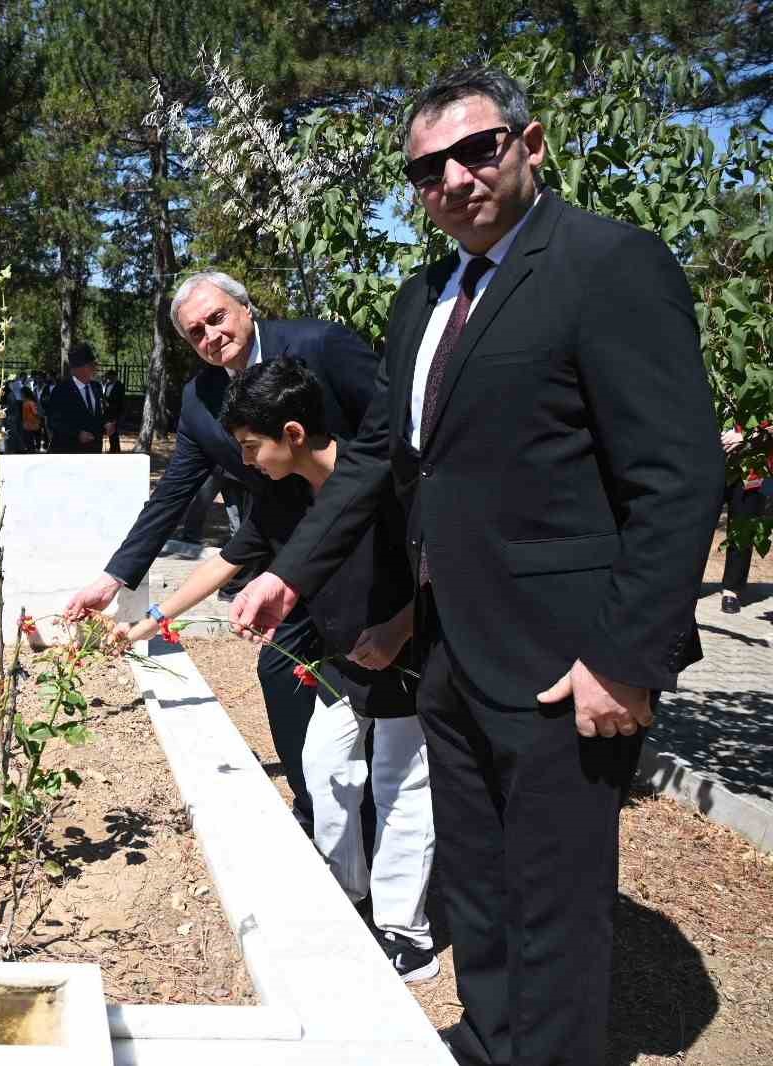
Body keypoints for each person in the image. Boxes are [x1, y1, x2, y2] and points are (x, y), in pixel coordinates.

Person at [230, 68, 721, 1066]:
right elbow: (377, 456)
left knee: (554, 893)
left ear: (529, 145)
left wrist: (627, 657)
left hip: (567, 656)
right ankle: (491, 1040)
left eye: (476, 150)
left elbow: (677, 476)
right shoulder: (423, 299)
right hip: (450, 649)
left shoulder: (607, 263)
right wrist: (291, 572)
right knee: (479, 878)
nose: (453, 178)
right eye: (428, 169)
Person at [118, 359, 436, 982]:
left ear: (293, 433)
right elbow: (225, 562)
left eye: (249, 446)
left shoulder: (387, 481)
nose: (246, 461)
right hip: (342, 663)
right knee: (324, 766)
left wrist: (400, 629)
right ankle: (348, 890)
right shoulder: (285, 496)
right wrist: (148, 621)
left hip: (408, 659)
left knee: (401, 787)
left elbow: (441, 565)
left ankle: (407, 933)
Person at [64, 269, 379, 831]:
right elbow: (173, 496)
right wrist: (115, 579)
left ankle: (370, 808)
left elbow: (392, 427)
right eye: (195, 332)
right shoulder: (199, 400)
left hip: (371, 537)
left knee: (374, 684)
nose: (210, 336)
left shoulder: (320, 345)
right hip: (285, 551)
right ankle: (315, 810)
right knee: (280, 671)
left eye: (217, 318)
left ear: (245, 308)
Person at [719, 424, 767, 613]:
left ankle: (732, 589)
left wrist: (746, 436)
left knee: (743, 524)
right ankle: (684, 582)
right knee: (695, 523)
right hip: (710, 458)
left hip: (751, 463)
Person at [45, 343, 106, 453]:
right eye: (91, 365)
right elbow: (53, 421)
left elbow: (97, 416)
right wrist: (77, 434)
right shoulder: (61, 390)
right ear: (78, 369)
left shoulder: (96, 387)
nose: (95, 368)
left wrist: (106, 425)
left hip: (93, 452)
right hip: (69, 452)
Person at [101, 368, 126, 453]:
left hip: (116, 412)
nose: (109, 379)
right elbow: (105, 395)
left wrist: (111, 404)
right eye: (108, 377)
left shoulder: (120, 385)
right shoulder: (107, 385)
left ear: (115, 377)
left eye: (110, 377)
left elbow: (120, 400)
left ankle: (116, 450)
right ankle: (113, 448)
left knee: (115, 432)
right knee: (110, 431)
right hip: (107, 412)